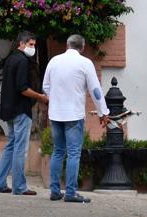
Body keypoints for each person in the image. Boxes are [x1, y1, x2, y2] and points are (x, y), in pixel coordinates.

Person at [42, 34, 110, 202]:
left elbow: (45, 86)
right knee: (73, 153)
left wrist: (56, 100)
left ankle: (55, 191)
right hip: (73, 114)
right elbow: (95, 90)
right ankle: (71, 193)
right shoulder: (85, 63)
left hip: (56, 114)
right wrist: (103, 112)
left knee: (57, 151)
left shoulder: (54, 61)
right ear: (83, 47)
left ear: (67, 45)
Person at [0, 31, 48, 195]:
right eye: (31, 44)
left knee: (10, 146)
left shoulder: (10, 59)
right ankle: (19, 187)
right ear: (21, 44)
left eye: (34, 45)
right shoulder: (23, 61)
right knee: (20, 149)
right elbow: (23, 88)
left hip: (8, 110)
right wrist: (41, 97)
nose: (33, 48)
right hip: (21, 110)